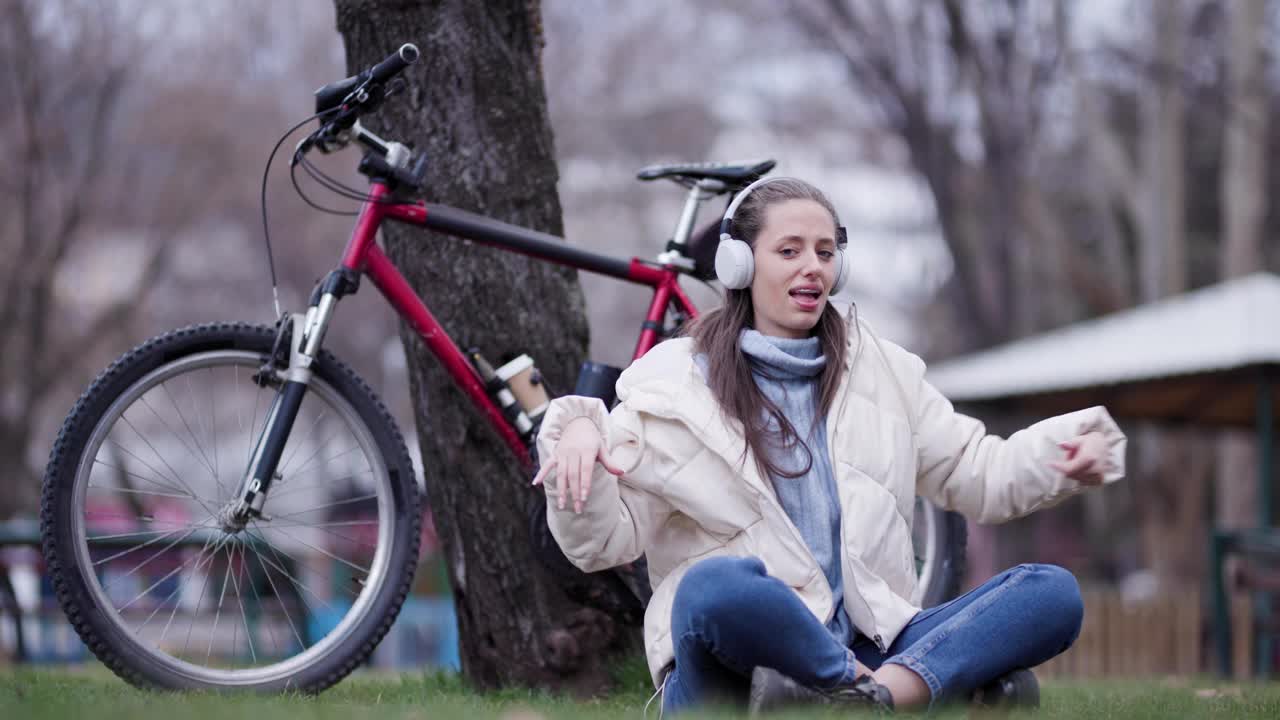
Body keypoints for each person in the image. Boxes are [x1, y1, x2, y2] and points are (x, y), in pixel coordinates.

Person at [532, 177, 1126, 715]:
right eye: (788, 251)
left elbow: (980, 474)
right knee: (713, 588)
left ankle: (869, 698)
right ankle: (886, 690)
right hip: (737, 668)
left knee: (1050, 594)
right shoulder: (673, 383)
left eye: (824, 251)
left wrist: (1063, 455)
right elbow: (601, 543)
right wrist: (577, 433)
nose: (811, 267)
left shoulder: (884, 371)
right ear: (740, 264)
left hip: (874, 643)